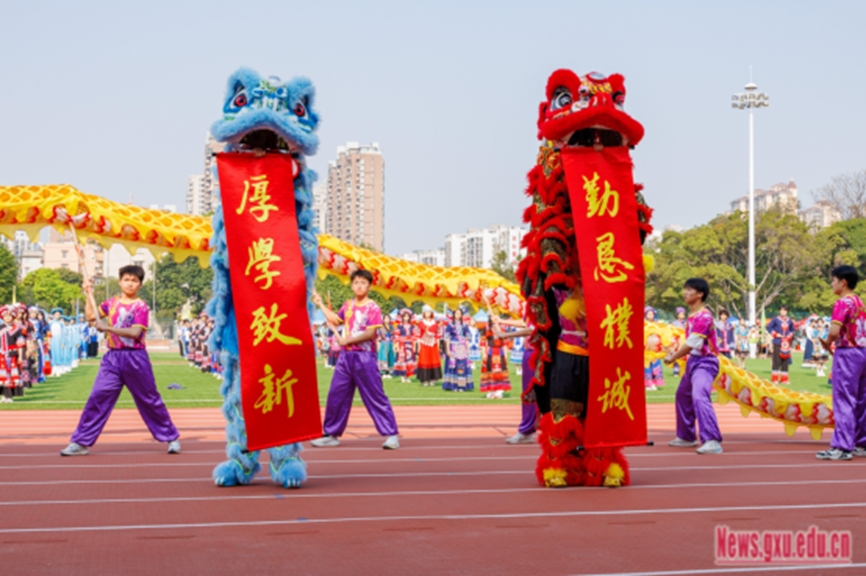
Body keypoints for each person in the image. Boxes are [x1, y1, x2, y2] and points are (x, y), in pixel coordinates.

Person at [60, 265, 181, 456]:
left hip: (135, 358)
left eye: (134, 281)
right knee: (98, 397)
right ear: (120, 282)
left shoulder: (141, 306)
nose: (130, 284)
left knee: (149, 399)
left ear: (140, 284)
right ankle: (81, 442)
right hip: (112, 358)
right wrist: (88, 293)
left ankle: (170, 437)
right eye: (126, 280)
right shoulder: (111, 303)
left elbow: (135, 332)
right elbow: (91, 316)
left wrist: (107, 328)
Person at [310, 269, 400, 449]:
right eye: (356, 282)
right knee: (336, 395)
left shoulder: (373, 308)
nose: (359, 286)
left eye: (363, 283)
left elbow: (369, 334)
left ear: (369, 286)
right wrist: (321, 305)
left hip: (364, 358)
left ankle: (391, 435)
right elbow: (336, 321)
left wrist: (347, 340)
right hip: (345, 358)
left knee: (375, 396)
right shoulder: (348, 305)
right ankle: (331, 434)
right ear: (351, 286)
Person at [665, 278, 723, 455]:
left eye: (689, 289)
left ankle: (712, 440)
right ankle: (686, 437)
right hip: (694, 362)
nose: (685, 292)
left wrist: (673, 357)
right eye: (685, 289)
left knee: (699, 396)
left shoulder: (704, 316)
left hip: (706, 363)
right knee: (683, 396)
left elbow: (693, 342)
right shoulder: (692, 316)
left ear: (700, 294)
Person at [816, 266, 866, 461]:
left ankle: (842, 447)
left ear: (843, 282)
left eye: (834, 280)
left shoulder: (842, 303)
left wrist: (827, 342)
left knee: (844, 399)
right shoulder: (859, 302)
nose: (832, 284)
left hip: (848, 354)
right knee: (861, 400)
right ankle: (861, 443)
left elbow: (834, 331)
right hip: (863, 352)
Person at [442, 306, 474, 392]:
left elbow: (467, 339)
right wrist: (448, 350)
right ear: (453, 314)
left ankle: (461, 386)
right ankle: (454, 386)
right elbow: (447, 338)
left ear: (462, 315)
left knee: (461, 366)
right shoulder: (450, 325)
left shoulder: (465, 325)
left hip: (462, 349)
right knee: (453, 366)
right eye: (456, 313)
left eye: (460, 313)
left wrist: (468, 350)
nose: (458, 314)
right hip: (453, 347)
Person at [766, 305, 796, 384]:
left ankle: (784, 379)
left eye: (785, 310)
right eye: (782, 310)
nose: (783, 312)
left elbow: (792, 329)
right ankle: (775, 379)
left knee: (785, 361)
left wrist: (790, 335)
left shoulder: (789, 320)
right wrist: (776, 334)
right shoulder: (776, 319)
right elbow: (768, 327)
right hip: (778, 342)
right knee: (776, 360)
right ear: (780, 311)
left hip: (786, 344)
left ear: (787, 311)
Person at [415, 305, 443, 387]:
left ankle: (432, 379)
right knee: (424, 361)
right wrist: (418, 346)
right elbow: (418, 336)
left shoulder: (435, 323)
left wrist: (438, 346)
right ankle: (424, 380)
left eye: (429, 312)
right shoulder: (420, 323)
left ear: (431, 313)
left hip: (433, 345)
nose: (427, 313)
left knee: (432, 361)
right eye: (426, 312)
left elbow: (438, 336)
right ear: (424, 313)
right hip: (424, 344)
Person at [392, 309, 417, 382]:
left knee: (409, 361)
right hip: (402, 345)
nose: (406, 318)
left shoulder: (412, 326)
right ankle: (402, 377)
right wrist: (396, 346)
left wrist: (414, 346)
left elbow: (414, 336)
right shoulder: (400, 326)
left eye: (408, 316)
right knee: (402, 360)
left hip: (409, 345)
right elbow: (396, 336)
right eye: (405, 316)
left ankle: (408, 377)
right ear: (402, 317)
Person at [644, 307, 664, 390]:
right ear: (645, 315)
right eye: (649, 314)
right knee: (647, 366)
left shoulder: (657, 324)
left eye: (652, 314)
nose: (650, 316)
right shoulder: (643, 324)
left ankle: (653, 384)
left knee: (655, 365)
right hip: (646, 348)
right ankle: (647, 384)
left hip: (655, 348)